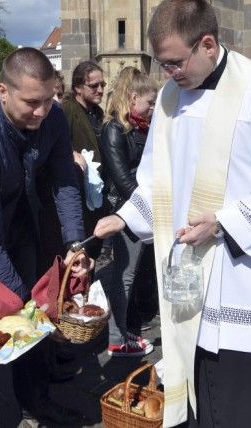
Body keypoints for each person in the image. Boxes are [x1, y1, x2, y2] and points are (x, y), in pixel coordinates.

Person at [94, 1, 251, 426]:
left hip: (245, 274)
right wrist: (125, 217)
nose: (169, 74)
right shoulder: (169, 98)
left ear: (208, 44)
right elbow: (158, 176)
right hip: (194, 273)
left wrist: (223, 222)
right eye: (163, 65)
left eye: (175, 63)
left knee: (249, 396)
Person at [0, 47, 91, 426]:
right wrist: (29, 308)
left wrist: (76, 245)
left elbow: (63, 180)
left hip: (18, 224)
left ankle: (35, 399)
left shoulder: (53, 117)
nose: (41, 113)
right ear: (3, 92)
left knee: (31, 330)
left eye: (47, 100)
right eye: (31, 103)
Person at [99, 67, 158, 357]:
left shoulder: (138, 127)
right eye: (149, 102)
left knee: (127, 274)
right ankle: (115, 338)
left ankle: (121, 330)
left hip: (137, 210)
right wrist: (145, 208)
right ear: (133, 98)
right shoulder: (114, 129)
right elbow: (122, 179)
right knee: (123, 275)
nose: (152, 108)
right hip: (126, 212)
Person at [62, 60, 107, 259]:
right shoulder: (66, 110)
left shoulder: (97, 113)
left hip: (95, 193)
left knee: (93, 251)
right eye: (94, 85)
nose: (100, 90)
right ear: (78, 88)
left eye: (102, 85)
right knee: (80, 252)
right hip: (77, 193)